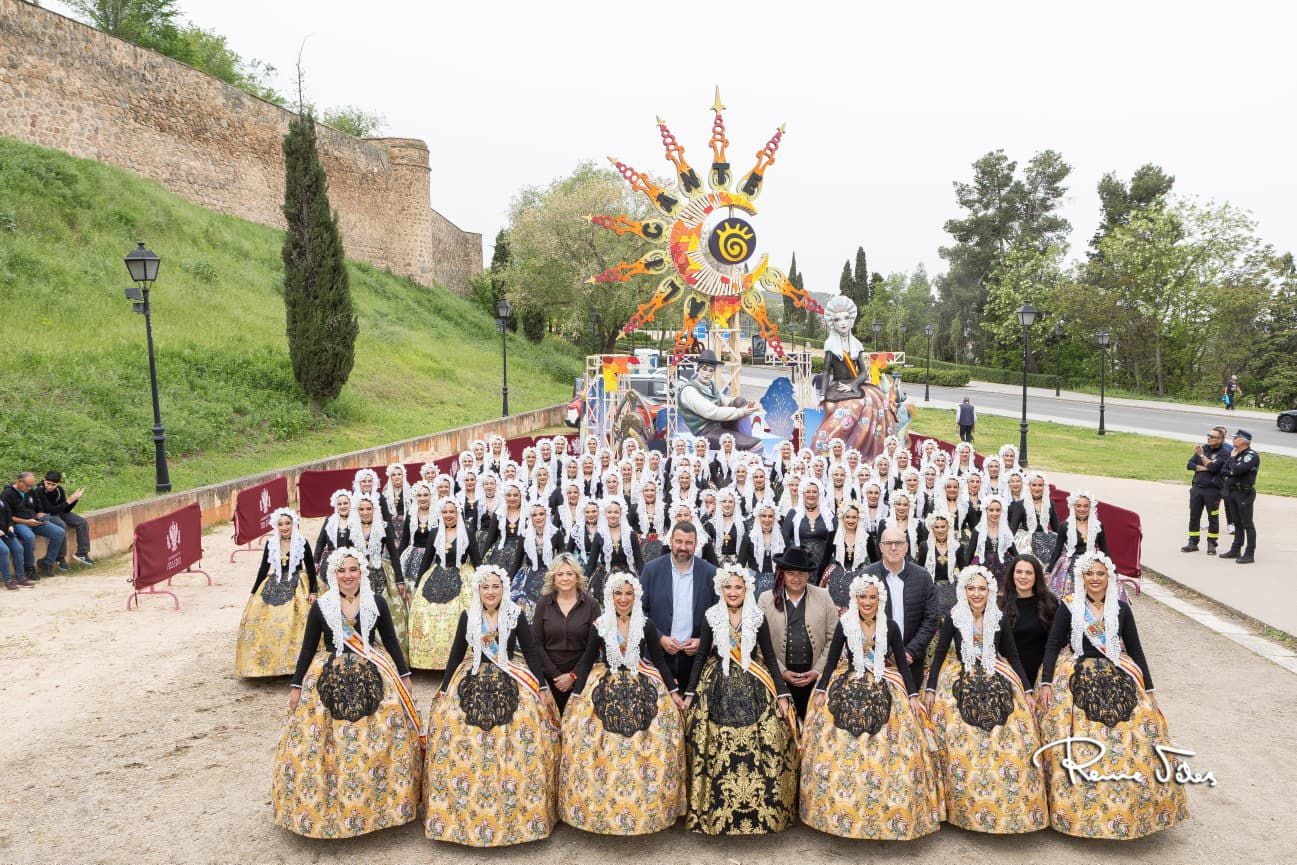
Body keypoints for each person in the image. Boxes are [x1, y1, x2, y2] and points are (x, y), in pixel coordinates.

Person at [1036, 552, 1190, 839]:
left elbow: (1136, 648)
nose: (1095, 579)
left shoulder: (1121, 609)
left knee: (1142, 728)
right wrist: (1045, 683)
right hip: (1077, 673)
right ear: (1082, 578)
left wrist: (1150, 689)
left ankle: (1136, 807)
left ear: (1109, 577)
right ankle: (1078, 811)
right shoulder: (1069, 607)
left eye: (1100, 574)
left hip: (1117, 670)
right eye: (1089, 574)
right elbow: (1053, 644)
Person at [271, 547, 421, 838]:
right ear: (333, 574)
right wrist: (296, 685)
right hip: (329, 677)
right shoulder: (322, 606)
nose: (348, 576)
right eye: (342, 570)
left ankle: (380, 807)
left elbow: (390, 639)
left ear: (361, 572)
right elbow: (307, 647)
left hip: (373, 673)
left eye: (353, 570)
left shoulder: (376, 601)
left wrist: (404, 675)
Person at [422, 564, 561, 847]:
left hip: (510, 676)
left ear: (504, 589)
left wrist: (542, 685)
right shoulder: (467, 616)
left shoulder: (516, 614)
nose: (490, 592)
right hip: (472, 677)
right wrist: (446, 687)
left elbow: (531, 653)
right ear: (478, 590)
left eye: (495, 587)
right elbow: (456, 654)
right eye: (485, 587)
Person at [800, 574, 942, 840]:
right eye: (862, 597)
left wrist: (912, 695)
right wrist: (820, 690)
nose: (867, 602)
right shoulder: (846, 624)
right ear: (855, 599)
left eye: (872, 597)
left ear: (880, 599)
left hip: (883, 682)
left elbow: (901, 662)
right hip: (849, 683)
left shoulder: (890, 626)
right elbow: (831, 662)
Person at [559, 572, 686, 835]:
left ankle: (648, 808)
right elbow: (585, 661)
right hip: (605, 684)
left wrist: (673, 691)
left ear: (636, 596)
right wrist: (576, 694)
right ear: (610, 596)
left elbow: (660, 661)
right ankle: (601, 810)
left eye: (629, 594)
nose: (623, 599)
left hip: (642, 683)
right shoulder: (600, 624)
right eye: (618, 593)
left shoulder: (647, 625)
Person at [923, 565, 1047, 834]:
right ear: (963, 591)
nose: (976, 594)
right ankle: (961, 805)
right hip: (960, 676)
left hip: (994, 674)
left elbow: (1012, 655)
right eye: (971, 588)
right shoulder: (954, 616)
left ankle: (1006, 802)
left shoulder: (998, 618)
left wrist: (1026, 690)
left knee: (1014, 732)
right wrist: (930, 689)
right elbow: (940, 655)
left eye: (982, 588)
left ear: (989, 591)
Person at [683, 564, 799, 835]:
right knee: (714, 745)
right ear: (720, 589)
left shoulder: (757, 617)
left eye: (738, 587)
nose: (733, 592)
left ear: (746, 589)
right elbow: (700, 656)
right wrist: (690, 692)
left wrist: (782, 694)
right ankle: (717, 813)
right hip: (717, 685)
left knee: (769, 737)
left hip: (754, 683)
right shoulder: (711, 615)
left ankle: (762, 815)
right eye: (728, 587)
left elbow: (769, 657)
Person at [757, 546, 839, 719]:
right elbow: (759, 642)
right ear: (782, 574)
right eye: (791, 573)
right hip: (778, 678)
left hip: (817, 677)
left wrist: (817, 670)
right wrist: (782, 672)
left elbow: (834, 638)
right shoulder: (766, 599)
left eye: (801, 573)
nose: (796, 578)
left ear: (808, 575)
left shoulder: (823, 596)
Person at [235, 507, 318, 677]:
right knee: (261, 617)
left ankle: (294, 664)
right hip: (275, 582)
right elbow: (263, 568)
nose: (285, 527)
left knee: (296, 621)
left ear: (293, 524)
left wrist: (313, 591)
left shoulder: (302, 542)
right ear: (276, 526)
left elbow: (310, 569)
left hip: (298, 583)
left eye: (288, 523)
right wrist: (253, 593)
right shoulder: (271, 544)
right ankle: (266, 664)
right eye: (281, 524)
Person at [812, 294, 896, 460]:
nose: (842, 322)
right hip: (838, 386)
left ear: (851, 321)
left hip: (856, 384)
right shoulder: (830, 345)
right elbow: (827, 371)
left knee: (877, 402)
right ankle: (829, 451)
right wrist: (822, 394)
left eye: (846, 318)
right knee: (849, 407)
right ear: (833, 323)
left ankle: (869, 453)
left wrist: (852, 385)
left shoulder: (857, 345)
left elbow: (864, 372)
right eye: (837, 320)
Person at [639, 522, 719, 689]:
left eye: (688, 543)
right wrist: (659, 638)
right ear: (671, 542)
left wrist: (704, 642)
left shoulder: (710, 573)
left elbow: (720, 615)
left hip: (695, 658)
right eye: (679, 541)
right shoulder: (651, 570)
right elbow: (639, 611)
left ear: (696, 545)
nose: (683, 547)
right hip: (658, 655)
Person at [406, 497, 481, 670]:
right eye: (445, 512)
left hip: (462, 573)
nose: (448, 515)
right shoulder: (434, 532)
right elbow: (426, 560)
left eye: (451, 512)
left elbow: (477, 560)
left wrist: (483, 580)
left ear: (457, 513)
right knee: (425, 610)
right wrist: (417, 585)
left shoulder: (467, 532)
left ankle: (458, 661)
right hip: (437, 574)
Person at [864, 526, 940, 690]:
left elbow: (931, 619)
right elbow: (862, 618)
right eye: (888, 543)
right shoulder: (867, 576)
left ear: (906, 546)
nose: (893, 547)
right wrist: (891, 652)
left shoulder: (923, 577)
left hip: (912, 661)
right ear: (881, 547)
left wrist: (911, 651)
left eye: (898, 543)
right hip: (877, 662)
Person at [531, 553, 599, 713]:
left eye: (570, 574)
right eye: (560, 574)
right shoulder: (543, 604)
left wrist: (573, 676)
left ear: (577, 577)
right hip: (549, 676)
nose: (565, 578)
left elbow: (593, 648)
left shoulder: (592, 605)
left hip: (582, 675)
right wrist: (555, 675)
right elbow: (537, 644)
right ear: (553, 579)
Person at [676, 350, 762, 450]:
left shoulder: (710, 385)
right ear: (698, 369)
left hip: (718, 424)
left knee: (740, 401)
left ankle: (747, 439)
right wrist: (741, 412)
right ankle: (747, 445)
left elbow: (723, 400)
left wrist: (747, 406)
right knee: (755, 445)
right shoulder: (689, 391)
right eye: (704, 369)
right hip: (705, 431)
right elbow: (712, 412)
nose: (707, 373)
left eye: (711, 370)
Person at [997, 553, 1058, 686]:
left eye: (1029, 573)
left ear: (1036, 576)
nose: (1023, 577)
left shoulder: (1049, 602)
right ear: (1012, 575)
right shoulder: (999, 604)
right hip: (1010, 674)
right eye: (1019, 572)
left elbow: (1056, 642)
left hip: (1043, 675)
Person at [1, 472, 66, 580]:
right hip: (19, 523)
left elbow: (38, 508)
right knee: (29, 537)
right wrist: (26, 521)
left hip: (34, 521)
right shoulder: (7, 494)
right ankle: (29, 567)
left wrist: (41, 517)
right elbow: (7, 516)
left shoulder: (31, 491)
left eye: (31, 486)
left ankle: (47, 562)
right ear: (20, 482)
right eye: (28, 485)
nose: (30, 488)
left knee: (59, 532)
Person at [1046, 490, 1108, 596]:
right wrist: (1049, 569)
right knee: (1068, 594)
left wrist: (1111, 569)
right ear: (1073, 506)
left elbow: (1104, 549)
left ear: (1090, 507)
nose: (1082, 509)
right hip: (1070, 564)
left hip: (1091, 562)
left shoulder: (1098, 526)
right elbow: (1058, 549)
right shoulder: (1065, 526)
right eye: (1078, 506)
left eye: (1085, 506)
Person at [1182, 426, 1230, 555]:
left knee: (1213, 517)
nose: (1209, 438)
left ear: (1220, 439)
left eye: (1212, 436)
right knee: (1194, 516)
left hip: (1213, 491)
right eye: (1208, 435)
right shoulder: (1203, 448)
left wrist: (1202, 457)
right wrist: (1205, 466)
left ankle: (1211, 544)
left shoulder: (1224, 453)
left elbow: (1214, 468)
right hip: (1197, 488)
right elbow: (1189, 464)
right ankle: (1193, 542)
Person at [33, 471, 93, 567]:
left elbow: (66, 509)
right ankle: (60, 558)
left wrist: (74, 500)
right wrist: (68, 501)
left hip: (59, 512)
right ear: (44, 480)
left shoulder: (59, 490)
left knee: (82, 522)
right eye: (48, 483)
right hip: (46, 514)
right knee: (61, 525)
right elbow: (49, 510)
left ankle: (82, 553)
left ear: (58, 484)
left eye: (54, 484)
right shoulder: (38, 490)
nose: (50, 486)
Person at [1219, 429, 1260, 564]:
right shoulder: (1235, 454)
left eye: (1236, 438)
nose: (1233, 439)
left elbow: (1238, 470)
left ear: (1242, 440)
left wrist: (1232, 469)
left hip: (1244, 493)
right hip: (1233, 492)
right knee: (1237, 522)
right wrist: (1232, 459)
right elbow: (1223, 470)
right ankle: (1236, 549)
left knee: (1247, 523)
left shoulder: (1251, 455)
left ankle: (1249, 553)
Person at [0, 492, 32, 589]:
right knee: (4, 550)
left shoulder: (2, 499)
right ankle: (8, 580)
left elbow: (9, 513)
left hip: (6, 532)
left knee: (18, 548)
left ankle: (20, 578)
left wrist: (10, 525)